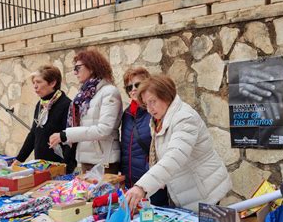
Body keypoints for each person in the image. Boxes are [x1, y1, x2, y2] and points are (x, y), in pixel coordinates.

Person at [124, 75, 232, 212]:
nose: (149, 109)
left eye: (153, 101)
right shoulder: (159, 119)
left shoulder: (184, 118)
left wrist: (142, 187)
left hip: (204, 192)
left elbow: (174, 157)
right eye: (146, 104)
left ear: (166, 96)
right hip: (187, 192)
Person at [49, 49, 123, 174]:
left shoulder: (109, 92)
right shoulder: (83, 95)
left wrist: (65, 135)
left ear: (92, 67)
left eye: (78, 68)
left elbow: (104, 129)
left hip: (104, 162)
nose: (74, 72)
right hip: (85, 159)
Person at [120, 67, 169, 206]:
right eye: (129, 87)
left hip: (153, 181)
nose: (133, 89)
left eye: (137, 85)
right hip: (131, 181)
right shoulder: (127, 114)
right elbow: (125, 147)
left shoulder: (155, 112)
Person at [14, 65, 76, 172]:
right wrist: (19, 160)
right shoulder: (40, 104)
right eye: (33, 83)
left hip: (59, 167)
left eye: (39, 82)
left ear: (52, 83)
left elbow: (70, 138)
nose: (35, 86)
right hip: (40, 166)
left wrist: (66, 167)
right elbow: (33, 134)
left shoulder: (66, 104)